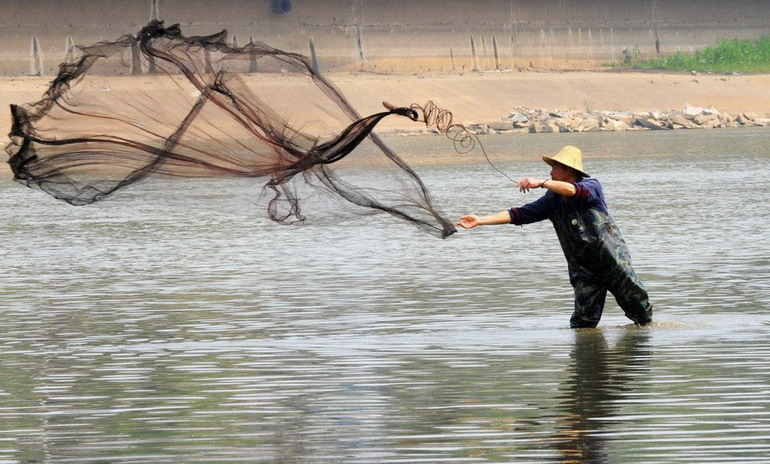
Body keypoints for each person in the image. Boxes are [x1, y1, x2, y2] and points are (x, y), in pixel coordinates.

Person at [456, 145, 653, 328]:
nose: (550, 172)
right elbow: (517, 214)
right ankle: (587, 361)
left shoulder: (591, 186)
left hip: (612, 261)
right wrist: (481, 220)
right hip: (583, 269)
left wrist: (542, 183)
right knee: (582, 323)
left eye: (555, 167)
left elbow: (573, 190)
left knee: (639, 309)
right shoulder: (552, 201)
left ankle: (645, 344)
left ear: (569, 170)